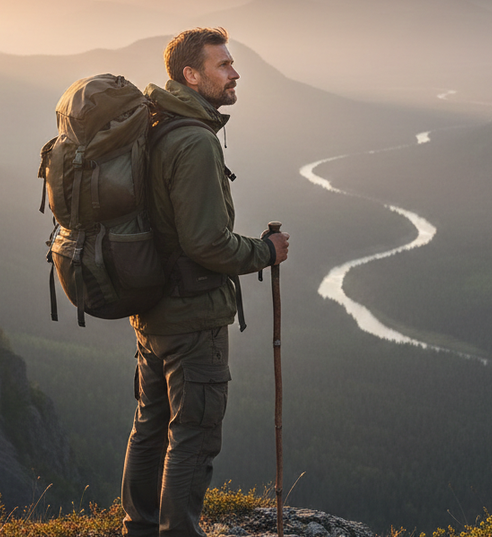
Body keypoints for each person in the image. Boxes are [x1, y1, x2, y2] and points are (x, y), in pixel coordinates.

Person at [121, 27, 290, 537]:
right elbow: (206, 243)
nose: (235, 73)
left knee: (150, 426)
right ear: (190, 75)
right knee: (192, 434)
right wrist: (265, 251)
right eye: (223, 65)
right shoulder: (193, 140)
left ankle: (141, 527)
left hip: (151, 306)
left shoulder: (155, 123)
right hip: (193, 313)